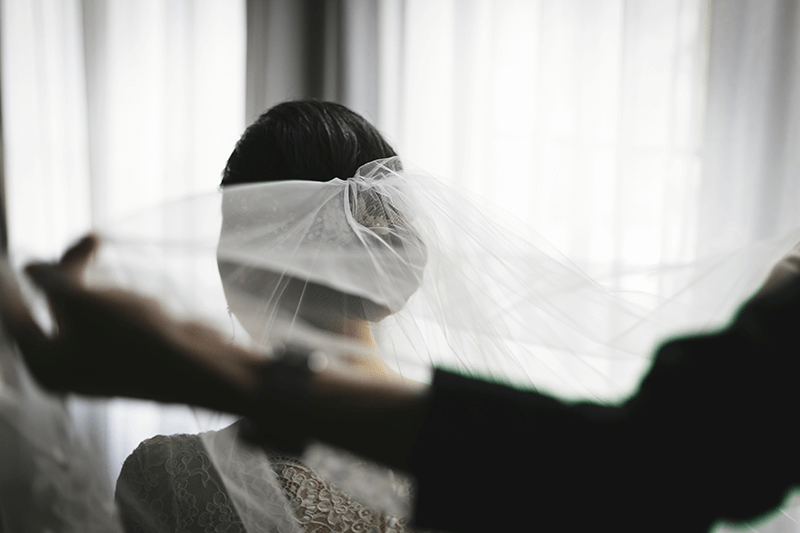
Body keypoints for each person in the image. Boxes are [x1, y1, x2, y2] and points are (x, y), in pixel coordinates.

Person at [2, 99, 800, 531]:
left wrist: (204, 366)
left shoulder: (168, 476)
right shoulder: (496, 467)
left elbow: (651, 465)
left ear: (238, 257)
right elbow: (651, 470)